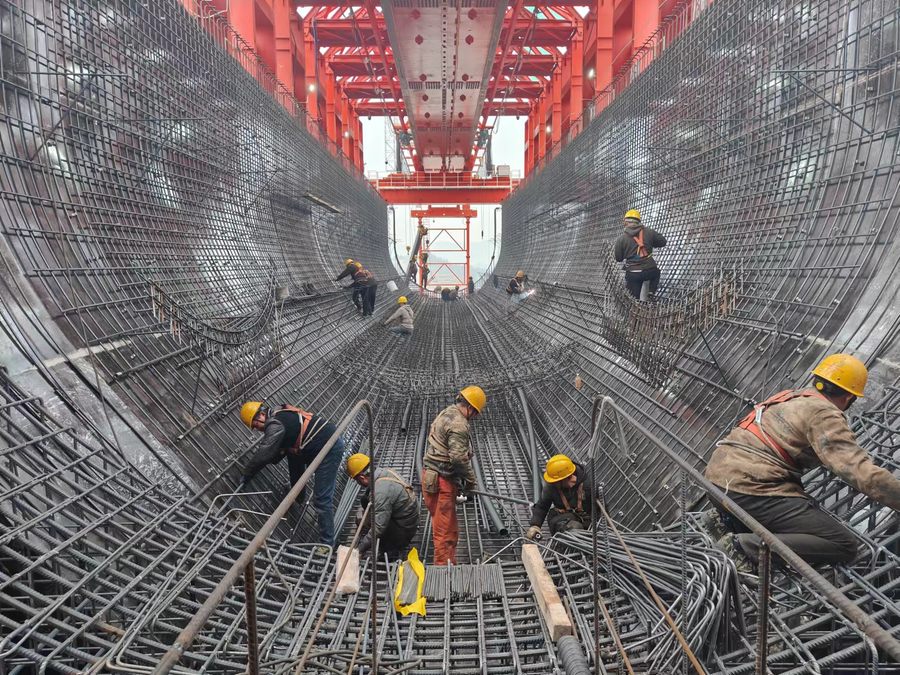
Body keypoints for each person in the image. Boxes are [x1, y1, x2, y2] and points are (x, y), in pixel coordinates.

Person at [704, 353, 900, 569]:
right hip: (749, 489)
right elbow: (858, 471)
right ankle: (744, 547)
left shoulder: (791, 396)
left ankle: (725, 521)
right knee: (843, 544)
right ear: (848, 398)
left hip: (717, 479)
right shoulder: (824, 414)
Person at [239, 401, 343, 546]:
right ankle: (298, 496)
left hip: (329, 448)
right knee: (292, 454)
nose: (257, 429)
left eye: (255, 425)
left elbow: (264, 453)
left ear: (261, 415)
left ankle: (327, 544)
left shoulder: (275, 425)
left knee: (322, 499)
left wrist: (246, 474)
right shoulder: (280, 414)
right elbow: (275, 456)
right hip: (322, 441)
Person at [422, 385, 487, 565]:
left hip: (435, 477)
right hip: (441, 482)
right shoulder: (459, 425)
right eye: (476, 413)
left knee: (449, 527)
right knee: (443, 532)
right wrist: (471, 481)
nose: (475, 417)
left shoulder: (448, 412)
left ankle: (450, 563)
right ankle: (443, 571)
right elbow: (458, 459)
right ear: (471, 408)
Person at [346, 453, 419, 558]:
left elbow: (378, 528)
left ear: (362, 477)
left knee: (380, 528)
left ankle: (392, 550)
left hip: (404, 531)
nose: (358, 483)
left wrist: (359, 550)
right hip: (406, 518)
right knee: (365, 499)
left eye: (357, 480)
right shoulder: (383, 472)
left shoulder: (380, 492)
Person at [526, 454, 598, 539]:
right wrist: (535, 525)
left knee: (578, 530)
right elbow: (542, 507)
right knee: (571, 527)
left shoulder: (589, 486)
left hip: (588, 523)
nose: (554, 483)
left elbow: (600, 512)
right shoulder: (552, 486)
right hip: (564, 520)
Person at [613, 209, 667, 300]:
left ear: (626, 223)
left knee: (633, 299)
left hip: (633, 274)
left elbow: (618, 258)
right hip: (649, 271)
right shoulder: (649, 232)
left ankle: (635, 304)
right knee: (656, 273)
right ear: (638, 221)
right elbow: (663, 242)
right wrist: (651, 242)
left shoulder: (621, 239)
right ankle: (651, 291)